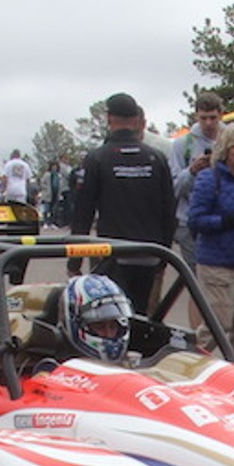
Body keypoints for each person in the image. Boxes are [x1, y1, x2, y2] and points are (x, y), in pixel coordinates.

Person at [70, 91, 176, 313]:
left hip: (112, 255)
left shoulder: (97, 158)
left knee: (111, 318)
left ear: (109, 118)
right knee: (141, 320)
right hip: (149, 254)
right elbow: (169, 211)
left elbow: (83, 212)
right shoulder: (156, 158)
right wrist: (163, 256)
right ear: (136, 120)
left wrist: (74, 263)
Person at [187, 123, 234, 366]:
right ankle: (191, 370)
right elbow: (195, 220)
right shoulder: (209, 178)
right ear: (225, 149)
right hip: (216, 261)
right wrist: (227, 220)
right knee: (217, 325)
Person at [171, 91, 224, 273]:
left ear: (220, 115)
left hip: (223, 220)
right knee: (197, 280)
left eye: (212, 118)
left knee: (221, 278)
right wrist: (192, 171)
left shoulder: (231, 139)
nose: (208, 123)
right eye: (203, 118)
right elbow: (174, 188)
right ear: (196, 116)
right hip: (190, 222)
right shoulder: (182, 145)